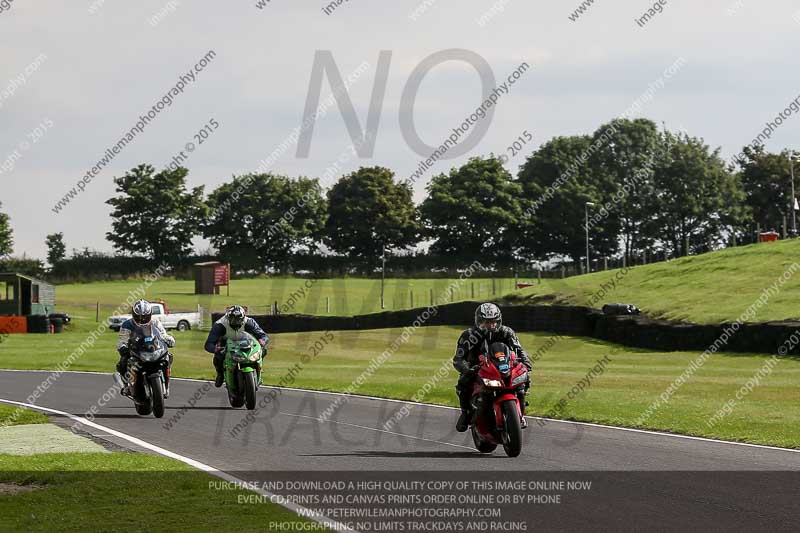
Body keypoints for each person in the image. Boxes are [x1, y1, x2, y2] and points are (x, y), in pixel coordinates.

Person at [452, 303, 532, 432]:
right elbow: (458, 359)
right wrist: (467, 370)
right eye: (487, 322)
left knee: (524, 379)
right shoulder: (468, 335)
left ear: (498, 320)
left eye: (494, 321)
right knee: (462, 384)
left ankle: (520, 414)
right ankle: (465, 413)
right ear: (479, 321)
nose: (491, 325)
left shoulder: (507, 332)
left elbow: (519, 349)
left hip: (502, 367)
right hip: (477, 369)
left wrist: (526, 362)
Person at [116, 299, 175, 396]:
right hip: (136, 349)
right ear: (134, 314)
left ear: (150, 314)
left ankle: (167, 385)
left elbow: (163, 334)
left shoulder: (155, 322)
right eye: (139, 316)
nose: (142, 319)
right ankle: (126, 386)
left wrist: (169, 339)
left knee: (168, 356)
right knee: (122, 362)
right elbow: (122, 339)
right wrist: (122, 347)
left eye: (145, 316)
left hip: (153, 348)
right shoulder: (127, 324)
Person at [204, 305, 269, 387]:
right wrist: (215, 349)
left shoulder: (249, 322)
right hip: (226, 343)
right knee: (218, 356)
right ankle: (220, 374)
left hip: (246, 343)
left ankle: (259, 371)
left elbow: (263, 335)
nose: (235, 322)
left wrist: (263, 341)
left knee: (263, 351)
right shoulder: (219, 325)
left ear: (243, 318)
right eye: (232, 319)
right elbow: (208, 344)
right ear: (228, 318)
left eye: (238, 319)